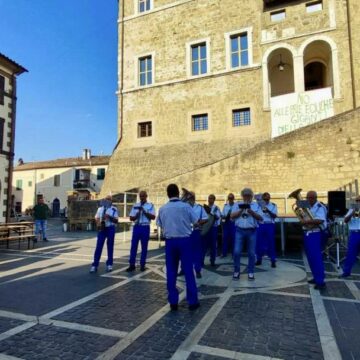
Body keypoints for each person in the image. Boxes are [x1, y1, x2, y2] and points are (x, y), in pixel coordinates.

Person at [157, 184, 200, 311]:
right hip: (185, 241)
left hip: (170, 242)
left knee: (171, 272)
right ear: (177, 193)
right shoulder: (186, 206)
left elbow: (159, 224)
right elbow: (196, 222)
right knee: (188, 271)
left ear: (167, 194)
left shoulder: (163, 208)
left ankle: (173, 302)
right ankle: (192, 302)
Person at [231, 188, 263, 280]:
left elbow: (260, 218)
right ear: (242, 196)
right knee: (236, 252)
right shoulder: (237, 204)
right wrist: (241, 210)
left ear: (251, 196)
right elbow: (232, 216)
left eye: (249, 195)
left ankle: (251, 272)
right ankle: (236, 271)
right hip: (239, 231)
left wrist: (251, 212)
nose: (247, 197)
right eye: (245, 195)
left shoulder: (256, 205)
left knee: (252, 253)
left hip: (252, 231)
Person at [178, 191, 208, 278]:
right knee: (184, 251)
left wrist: (198, 222)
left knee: (197, 252)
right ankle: (183, 269)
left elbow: (206, 219)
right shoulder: (183, 207)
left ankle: (197, 270)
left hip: (195, 232)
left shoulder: (200, 208)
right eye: (187, 197)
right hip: (185, 232)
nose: (188, 198)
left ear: (193, 198)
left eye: (189, 197)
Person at [301, 190, 327, 289]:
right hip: (308, 233)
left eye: (311, 198)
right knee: (310, 258)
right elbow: (303, 218)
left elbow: (320, 220)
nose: (309, 199)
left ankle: (320, 281)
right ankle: (316, 277)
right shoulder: (307, 207)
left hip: (316, 234)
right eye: (308, 198)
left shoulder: (320, 207)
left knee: (316, 258)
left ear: (316, 198)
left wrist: (306, 221)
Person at [126, 191, 156, 272]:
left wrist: (144, 212)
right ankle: (132, 265)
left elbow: (153, 217)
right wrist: (137, 214)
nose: (142, 198)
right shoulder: (135, 205)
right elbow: (131, 218)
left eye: (143, 196)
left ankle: (142, 265)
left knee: (144, 247)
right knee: (133, 246)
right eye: (140, 196)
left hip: (145, 227)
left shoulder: (150, 205)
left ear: (146, 196)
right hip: (136, 227)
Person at [90, 195, 119, 273]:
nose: (108, 201)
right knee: (98, 247)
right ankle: (94, 265)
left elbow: (116, 221)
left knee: (110, 247)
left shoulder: (114, 209)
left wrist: (109, 217)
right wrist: (98, 223)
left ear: (111, 201)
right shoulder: (100, 208)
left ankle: (109, 264)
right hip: (102, 229)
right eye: (106, 199)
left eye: (109, 200)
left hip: (110, 228)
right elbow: (96, 217)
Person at [256, 192, 278, 268]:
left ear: (269, 198)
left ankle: (273, 260)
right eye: (265, 199)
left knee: (271, 243)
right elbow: (256, 215)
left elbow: (275, 216)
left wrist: (268, 211)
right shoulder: (258, 206)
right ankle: (259, 259)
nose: (266, 200)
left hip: (270, 225)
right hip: (261, 224)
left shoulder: (273, 205)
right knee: (259, 243)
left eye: (267, 198)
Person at [341, 196, 360, 278]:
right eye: (357, 201)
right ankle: (346, 272)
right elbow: (345, 221)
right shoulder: (351, 210)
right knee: (350, 254)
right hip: (354, 234)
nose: (358, 202)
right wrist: (352, 213)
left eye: (359, 201)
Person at [203, 194, 221, 266]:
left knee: (213, 245)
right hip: (206, 227)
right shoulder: (204, 208)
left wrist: (211, 213)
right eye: (209, 198)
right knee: (204, 244)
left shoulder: (216, 208)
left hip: (213, 227)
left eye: (211, 198)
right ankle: (202, 260)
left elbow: (218, 217)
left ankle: (212, 260)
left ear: (214, 200)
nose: (209, 200)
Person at [221, 193, 236, 258]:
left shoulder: (236, 206)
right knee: (225, 238)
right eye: (229, 198)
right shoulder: (225, 206)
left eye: (231, 198)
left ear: (233, 198)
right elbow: (222, 215)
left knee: (234, 239)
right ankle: (224, 253)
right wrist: (225, 216)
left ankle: (234, 254)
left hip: (233, 223)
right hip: (226, 223)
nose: (230, 199)